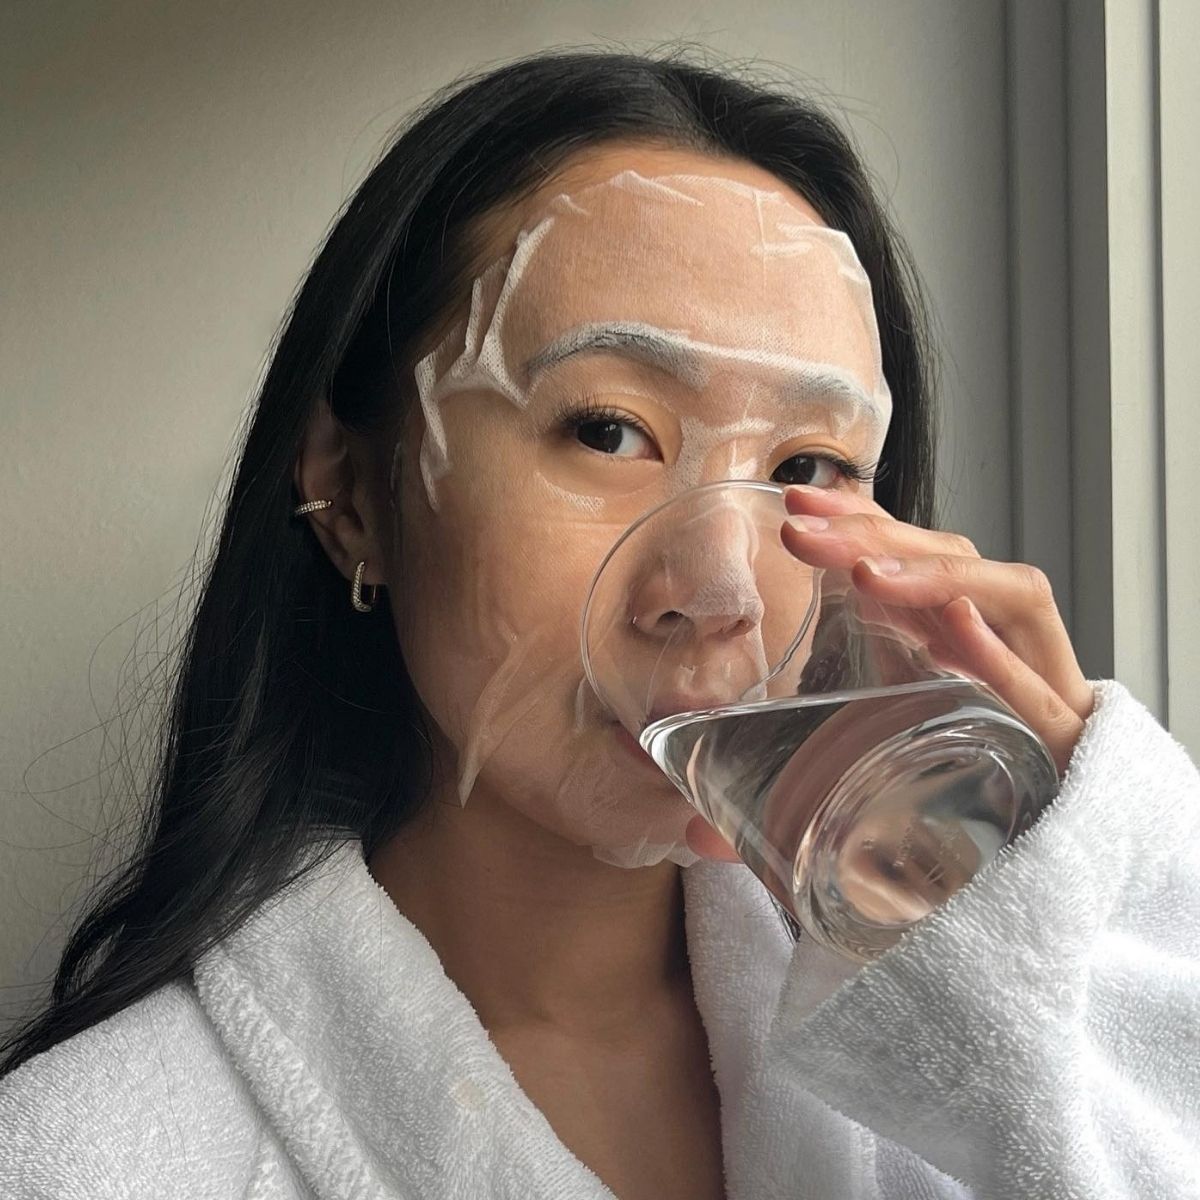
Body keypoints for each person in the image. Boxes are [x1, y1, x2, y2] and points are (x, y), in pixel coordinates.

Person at [2, 47, 1198, 1200]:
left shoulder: (969, 1070)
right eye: (609, 431)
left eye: (807, 465)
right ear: (355, 494)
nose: (720, 587)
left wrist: (1096, 897)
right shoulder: (90, 1161)